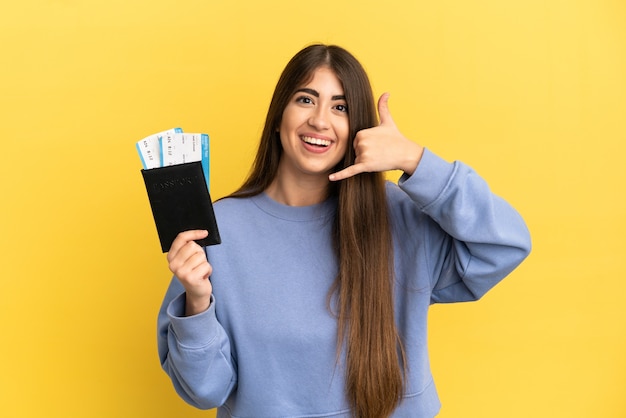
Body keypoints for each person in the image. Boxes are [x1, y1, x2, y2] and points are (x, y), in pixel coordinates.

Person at [157, 44, 531, 418]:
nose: (320, 121)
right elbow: (205, 391)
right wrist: (197, 303)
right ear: (277, 116)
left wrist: (414, 160)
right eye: (306, 99)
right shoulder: (218, 230)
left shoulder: (399, 215)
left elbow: (505, 245)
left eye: (341, 107)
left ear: (358, 128)